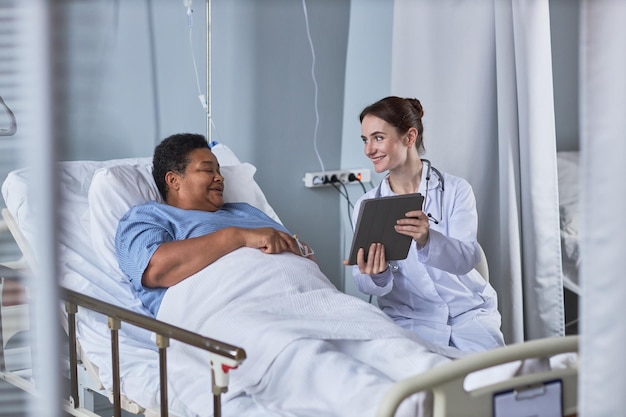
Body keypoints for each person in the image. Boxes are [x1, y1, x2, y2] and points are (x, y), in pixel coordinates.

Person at [114, 132, 457, 417]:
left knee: (389, 344)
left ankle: (468, 390)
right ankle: (398, 406)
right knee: (311, 360)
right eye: (208, 170)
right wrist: (238, 237)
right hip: (234, 308)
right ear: (173, 180)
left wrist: (299, 252)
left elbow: (299, 258)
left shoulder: (245, 210)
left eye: (220, 169)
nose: (220, 177)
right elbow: (155, 269)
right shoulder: (146, 217)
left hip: (311, 300)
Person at [344, 96, 505, 353]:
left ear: (409, 137)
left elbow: (467, 259)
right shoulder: (368, 205)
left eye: (378, 138)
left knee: (488, 383)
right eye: (365, 140)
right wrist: (376, 273)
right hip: (411, 323)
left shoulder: (455, 190)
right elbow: (365, 284)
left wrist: (428, 239)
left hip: (468, 317)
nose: (368, 150)